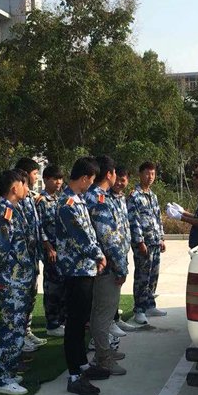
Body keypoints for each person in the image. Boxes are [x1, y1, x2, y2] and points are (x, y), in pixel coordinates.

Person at [56, 157, 107, 395]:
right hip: (75, 270)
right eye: (91, 180)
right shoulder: (67, 203)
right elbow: (81, 237)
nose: (92, 185)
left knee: (81, 320)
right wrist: (99, 255)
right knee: (75, 324)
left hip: (84, 268)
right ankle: (74, 376)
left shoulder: (78, 199)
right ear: (84, 178)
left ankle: (83, 365)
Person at [0, 169, 34, 395]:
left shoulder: (15, 209)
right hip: (11, 282)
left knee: (17, 330)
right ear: (14, 188)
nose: (27, 188)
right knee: (10, 330)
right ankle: (4, 379)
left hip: (20, 279)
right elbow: (0, 248)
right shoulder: (4, 212)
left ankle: (10, 371)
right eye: (23, 184)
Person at [85, 156, 129, 377]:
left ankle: (103, 353)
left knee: (100, 313)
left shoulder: (96, 195)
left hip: (103, 265)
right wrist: (121, 267)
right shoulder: (99, 198)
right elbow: (108, 238)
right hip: (107, 267)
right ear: (109, 174)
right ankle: (103, 359)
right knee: (103, 315)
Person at [15, 158, 56, 352]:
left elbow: (37, 225)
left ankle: (27, 331)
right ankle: (19, 337)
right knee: (21, 298)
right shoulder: (15, 200)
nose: (36, 177)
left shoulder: (32, 197)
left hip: (32, 256)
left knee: (31, 295)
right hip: (21, 259)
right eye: (34, 174)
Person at [127, 162, 166, 325]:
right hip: (143, 244)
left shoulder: (152, 195)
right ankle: (139, 309)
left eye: (153, 174)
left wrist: (161, 238)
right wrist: (139, 241)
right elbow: (133, 220)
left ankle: (150, 305)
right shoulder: (134, 196)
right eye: (147, 174)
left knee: (153, 276)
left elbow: (158, 218)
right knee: (142, 277)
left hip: (155, 242)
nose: (150, 177)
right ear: (140, 174)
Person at [36, 164, 66, 337]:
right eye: (55, 179)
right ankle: (52, 323)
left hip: (62, 250)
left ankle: (61, 320)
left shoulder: (59, 199)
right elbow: (38, 227)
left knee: (62, 286)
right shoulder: (41, 201)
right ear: (46, 180)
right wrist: (48, 247)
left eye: (60, 179)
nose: (58, 182)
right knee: (52, 288)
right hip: (51, 251)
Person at [110, 167, 136, 333]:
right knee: (110, 288)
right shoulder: (106, 198)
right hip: (112, 252)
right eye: (117, 179)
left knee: (117, 287)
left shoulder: (122, 198)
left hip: (122, 251)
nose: (119, 183)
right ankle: (110, 321)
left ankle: (115, 318)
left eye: (123, 180)